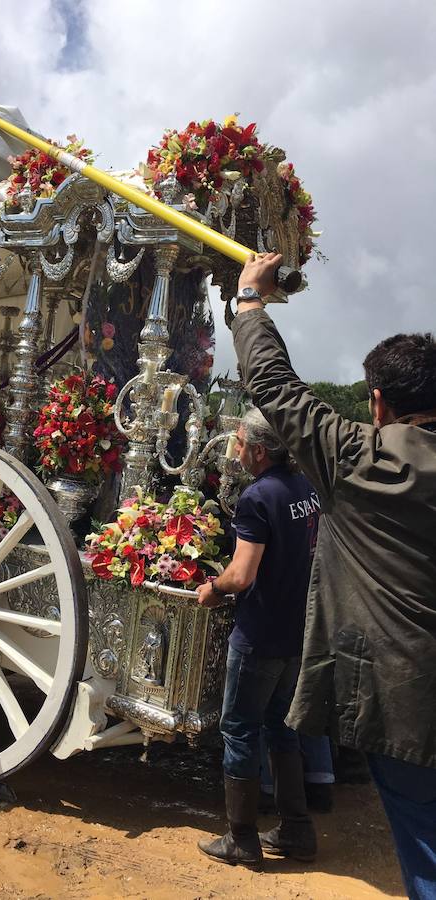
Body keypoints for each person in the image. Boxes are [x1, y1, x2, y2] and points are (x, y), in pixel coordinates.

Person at [229, 251, 436, 899]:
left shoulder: (360, 455)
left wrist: (248, 301)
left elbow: (274, 385)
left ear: (376, 401)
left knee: (424, 842)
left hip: (405, 702)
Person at [196, 407, 320, 870]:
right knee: (281, 728)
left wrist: (212, 588)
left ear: (260, 451)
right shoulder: (306, 489)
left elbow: (242, 574)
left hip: (260, 632)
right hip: (296, 631)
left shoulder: (257, 498)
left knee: (240, 729)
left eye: (242, 443)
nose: (238, 450)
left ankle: (242, 838)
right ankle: (297, 828)